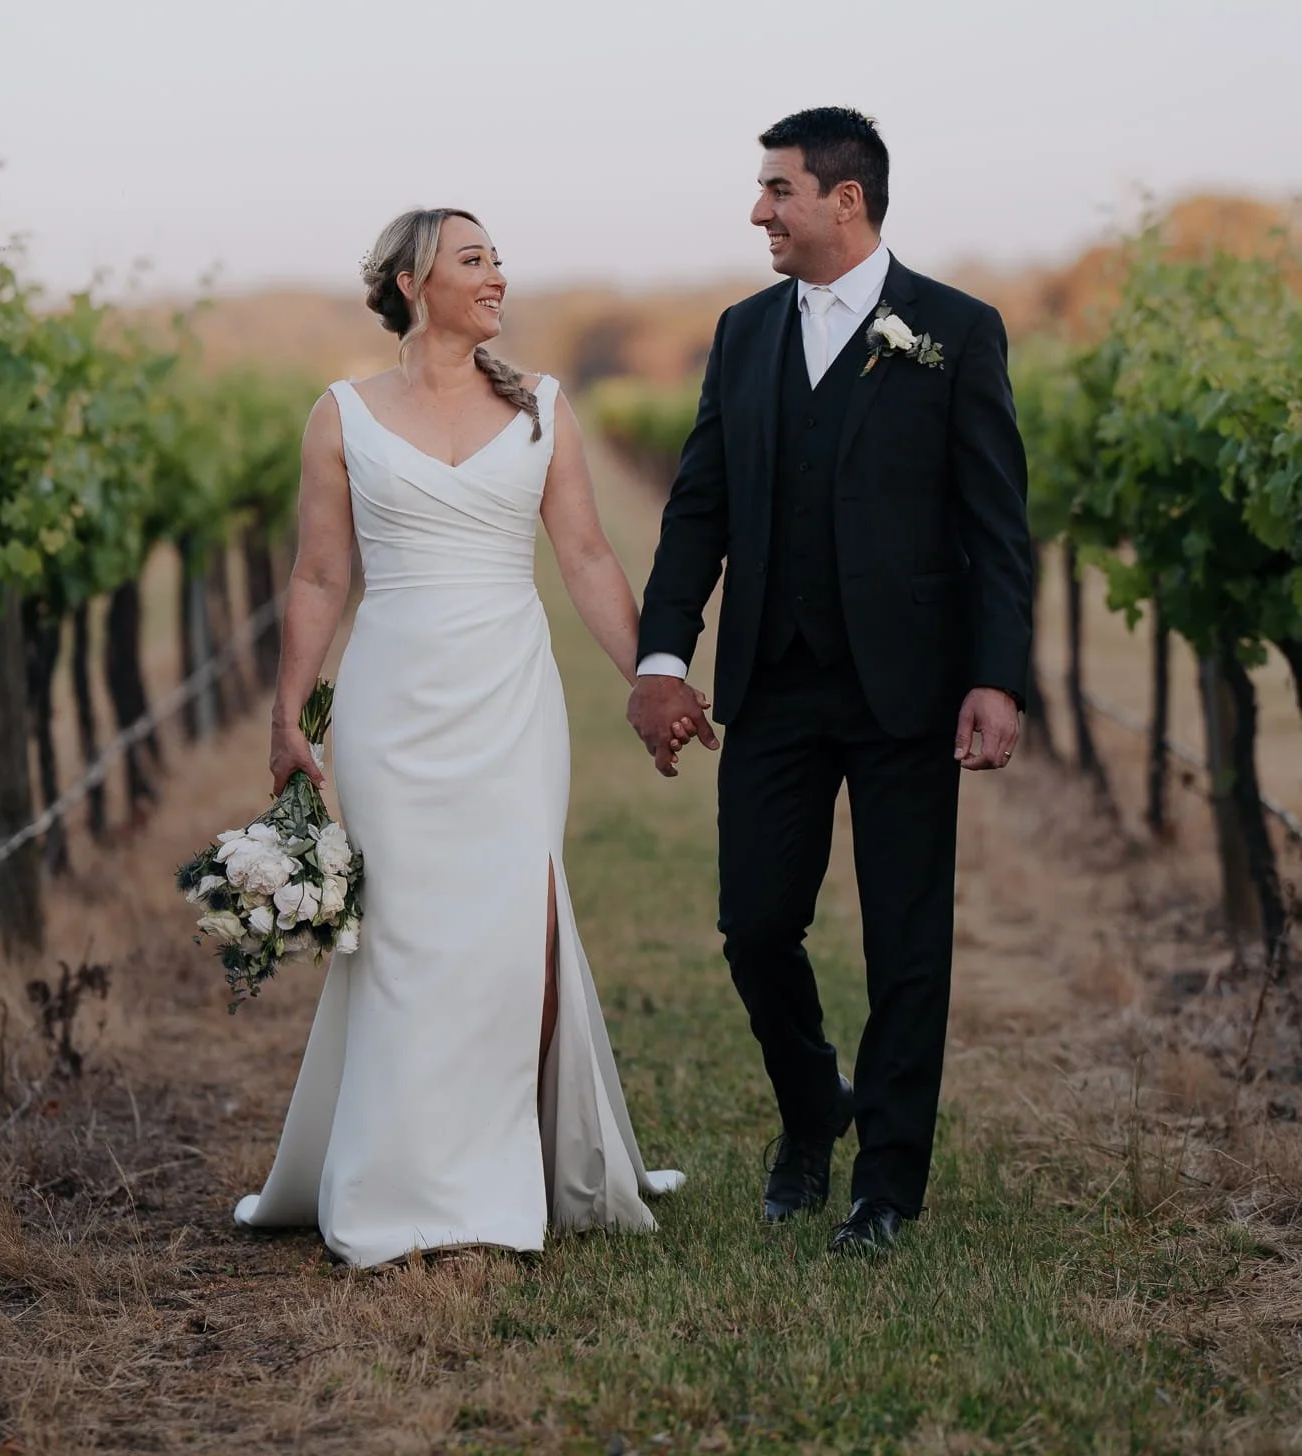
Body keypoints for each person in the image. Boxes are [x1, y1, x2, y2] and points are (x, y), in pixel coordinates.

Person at [234, 207, 684, 1268]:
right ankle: (398, 1178)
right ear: (409, 279)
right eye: (473, 259)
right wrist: (290, 714)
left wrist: (650, 678)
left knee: (507, 921)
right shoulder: (339, 413)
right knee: (403, 931)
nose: (497, 275)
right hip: (392, 701)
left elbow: (583, 558)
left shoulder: (545, 409)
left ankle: (503, 1171)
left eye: (498, 259)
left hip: (509, 696)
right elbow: (317, 575)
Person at [627, 108, 1031, 1256]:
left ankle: (885, 1184)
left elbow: (996, 526)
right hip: (775, 680)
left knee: (909, 938)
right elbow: (698, 503)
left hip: (910, 688)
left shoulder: (955, 328)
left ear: (843, 199)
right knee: (754, 922)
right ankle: (815, 1107)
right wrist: (665, 655)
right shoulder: (743, 332)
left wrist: (996, 677)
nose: (759, 210)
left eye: (777, 189)